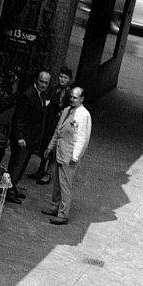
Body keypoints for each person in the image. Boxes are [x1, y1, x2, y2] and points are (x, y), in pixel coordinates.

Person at [42, 86, 92, 225]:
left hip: (69, 155)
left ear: (82, 99)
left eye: (75, 97)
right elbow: (58, 131)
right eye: (71, 96)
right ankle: (54, 206)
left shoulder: (84, 115)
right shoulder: (66, 111)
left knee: (65, 185)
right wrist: (50, 147)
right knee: (57, 183)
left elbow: (83, 138)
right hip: (60, 151)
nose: (72, 99)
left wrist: (75, 157)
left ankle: (63, 213)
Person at [6, 70, 51, 203]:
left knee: (22, 165)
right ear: (36, 80)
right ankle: (9, 191)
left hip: (31, 138)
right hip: (23, 139)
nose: (43, 85)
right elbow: (18, 117)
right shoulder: (28, 94)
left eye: (46, 83)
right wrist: (19, 137)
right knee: (16, 165)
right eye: (41, 81)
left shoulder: (41, 95)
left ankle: (13, 188)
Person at [32, 65, 72, 185]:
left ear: (69, 79)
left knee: (54, 148)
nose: (62, 79)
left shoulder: (68, 93)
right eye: (60, 76)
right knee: (46, 145)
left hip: (59, 123)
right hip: (49, 121)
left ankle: (48, 174)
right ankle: (41, 169)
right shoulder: (55, 89)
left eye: (65, 77)